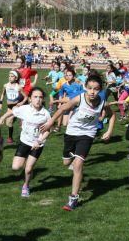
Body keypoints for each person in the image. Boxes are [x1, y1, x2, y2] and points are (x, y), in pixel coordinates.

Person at [41, 74, 114, 211]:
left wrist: (109, 131)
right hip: (71, 133)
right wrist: (51, 122)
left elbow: (112, 115)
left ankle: (73, 198)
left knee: (78, 164)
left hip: (87, 135)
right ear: (85, 87)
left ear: (101, 89)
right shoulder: (79, 98)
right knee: (66, 162)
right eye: (90, 88)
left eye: (96, 89)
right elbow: (62, 109)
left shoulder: (103, 102)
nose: (92, 92)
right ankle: (75, 162)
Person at [0, 87, 51, 197]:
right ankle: (27, 161)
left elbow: (48, 131)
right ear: (30, 99)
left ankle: (26, 186)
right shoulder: (24, 109)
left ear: (43, 99)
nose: (38, 99)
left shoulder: (45, 114)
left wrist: (39, 140)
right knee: (16, 167)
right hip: (24, 142)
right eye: (35, 97)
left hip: (37, 144)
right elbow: (12, 111)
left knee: (28, 169)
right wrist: (2, 118)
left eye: (40, 97)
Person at [3, 70, 27, 143]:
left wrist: (22, 102)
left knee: (10, 121)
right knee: (8, 123)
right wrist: (0, 102)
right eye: (9, 76)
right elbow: (3, 93)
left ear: (16, 78)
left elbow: (25, 96)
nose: (10, 78)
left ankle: (10, 138)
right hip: (9, 107)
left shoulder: (19, 87)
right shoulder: (5, 85)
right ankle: (11, 136)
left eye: (12, 76)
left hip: (16, 106)